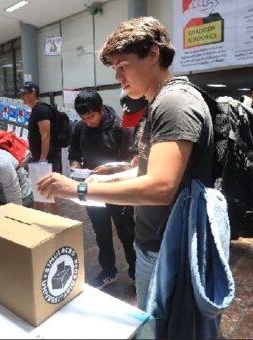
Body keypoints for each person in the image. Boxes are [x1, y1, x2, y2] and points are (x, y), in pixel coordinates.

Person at [37, 16, 214, 313]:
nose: (118, 77)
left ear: (153, 55)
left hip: (170, 248)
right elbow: (147, 170)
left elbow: (160, 187)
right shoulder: (157, 103)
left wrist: (78, 189)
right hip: (157, 242)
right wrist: (103, 179)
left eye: (123, 65)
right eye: (114, 69)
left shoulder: (174, 103)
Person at [69, 90, 136, 288]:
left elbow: (131, 162)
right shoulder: (79, 128)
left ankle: (135, 274)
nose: (88, 121)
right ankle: (108, 271)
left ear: (100, 109)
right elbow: (73, 154)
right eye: (83, 117)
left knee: (127, 232)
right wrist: (76, 168)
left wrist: (109, 168)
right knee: (101, 232)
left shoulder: (119, 126)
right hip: (93, 188)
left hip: (117, 187)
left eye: (91, 116)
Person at [19, 81, 61, 173]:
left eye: (24, 94)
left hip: (47, 160)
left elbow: (46, 136)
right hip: (40, 158)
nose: (22, 97)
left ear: (33, 92)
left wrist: (43, 159)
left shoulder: (41, 110)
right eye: (21, 94)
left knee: (47, 186)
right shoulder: (36, 110)